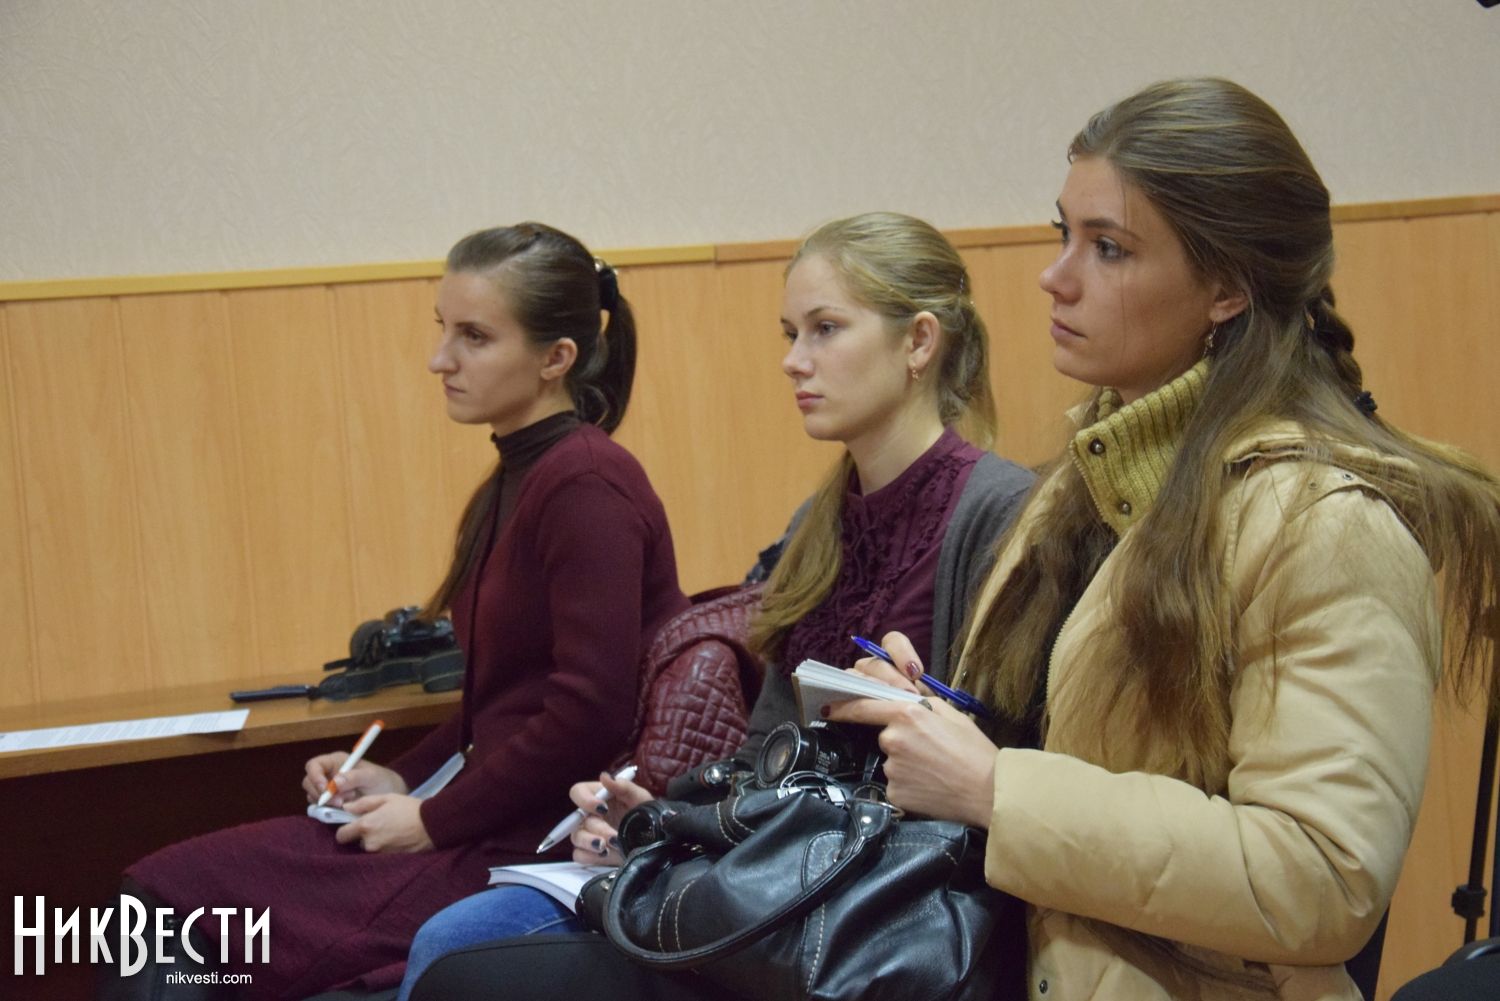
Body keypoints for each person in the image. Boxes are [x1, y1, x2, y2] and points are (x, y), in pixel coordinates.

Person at [826, 78, 1500, 1001]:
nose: (1057, 276)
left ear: (1226, 288)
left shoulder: (1328, 523)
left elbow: (1320, 878)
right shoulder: (1081, 480)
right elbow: (1069, 752)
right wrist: (933, 721)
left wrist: (996, 788)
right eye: (1063, 233)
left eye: (1108, 248)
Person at [398, 211, 1034, 1000]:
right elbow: (765, 752)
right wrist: (656, 816)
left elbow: (1001, 770)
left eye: (825, 329)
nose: (793, 360)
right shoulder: (815, 524)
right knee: (457, 944)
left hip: (885, 915)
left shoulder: (1000, 514)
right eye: (790, 333)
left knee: (464, 969)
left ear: (919, 342)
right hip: (778, 879)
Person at [106, 222, 690, 1001]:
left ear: (557, 358)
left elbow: (589, 713)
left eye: (474, 337)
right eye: (443, 329)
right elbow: (497, 705)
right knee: (161, 906)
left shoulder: (585, 483)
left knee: (175, 908)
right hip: (484, 815)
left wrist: (431, 818)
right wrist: (397, 775)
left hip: (539, 840)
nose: (440, 359)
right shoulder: (516, 477)